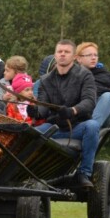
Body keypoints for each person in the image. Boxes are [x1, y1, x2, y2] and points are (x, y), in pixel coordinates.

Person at [27, 39, 99, 188]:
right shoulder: (46, 80)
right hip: (54, 127)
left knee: (92, 126)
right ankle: (30, 173)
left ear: (74, 56)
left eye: (66, 52)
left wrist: (73, 110)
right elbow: (43, 108)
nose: (63, 55)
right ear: (55, 55)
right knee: (29, 134)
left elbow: (89, 101)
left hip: (78, 127)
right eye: (60, 52)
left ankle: (84, 174)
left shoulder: (85, 75)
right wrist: (35, 111)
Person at [76, 42, 110, 128]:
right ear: (79, 59)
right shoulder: (72, 76)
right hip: (80, 115)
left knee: (108, 96)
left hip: (103, 115)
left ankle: (92, 127)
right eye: (89, 55)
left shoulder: (106, 75)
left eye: (95, 55)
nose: (93, 58)